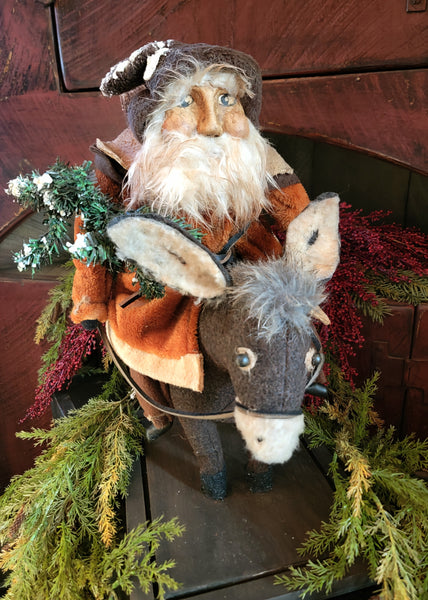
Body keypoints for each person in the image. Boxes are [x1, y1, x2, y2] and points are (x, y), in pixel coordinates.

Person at [70, 40, 310, 434]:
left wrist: (304, 278)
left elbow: (300, 216)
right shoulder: (121, 159)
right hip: (156, 280)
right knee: (131, 331)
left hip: (241, 267)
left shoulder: (254, 153)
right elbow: (90, 232)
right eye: (186, 102)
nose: (211, 125)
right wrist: (90, 297)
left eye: (226, 100)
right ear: (154, 112)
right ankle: (157, 411)